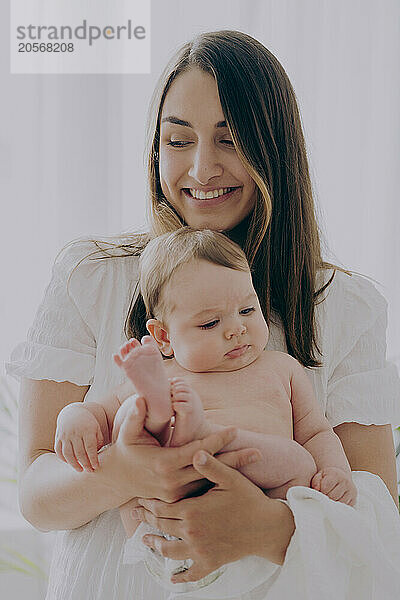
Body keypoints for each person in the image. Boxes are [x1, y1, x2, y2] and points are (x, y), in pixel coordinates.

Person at [6, 29, 400, 600]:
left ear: (275, 148)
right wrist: (133, 473)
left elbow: (379, 522)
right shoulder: (92, 276)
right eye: (178, 140)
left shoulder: (344, 307)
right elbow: (37, 495)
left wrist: (269, 530)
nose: (201, 168)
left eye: (229, 139)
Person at [53, 228, 357, 587]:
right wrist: (73, 417)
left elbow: (315, 432)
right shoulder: (165, 375)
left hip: (257, 493)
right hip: (169, 506)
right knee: (127, 416)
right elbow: (98, 414)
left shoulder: (281, 368)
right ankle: (176, 428)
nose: (237, 329)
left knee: (300, 461)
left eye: (247, 309)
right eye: (210, 322)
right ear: (164, 337)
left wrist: (337, 471)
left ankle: (199, 436)